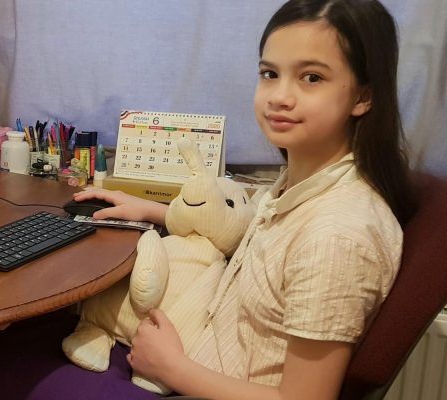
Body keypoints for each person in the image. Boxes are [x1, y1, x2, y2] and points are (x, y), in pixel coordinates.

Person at [71, 0, 415, 398]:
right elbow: (255, 235)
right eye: (270, 73)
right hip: (186, 355)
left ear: (364, 96)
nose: (279, 96)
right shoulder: (298, 187)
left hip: (186, 379)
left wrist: (174, 368)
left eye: (312, 78)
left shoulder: (337, 236)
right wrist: (150, 210)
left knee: (7, 362)